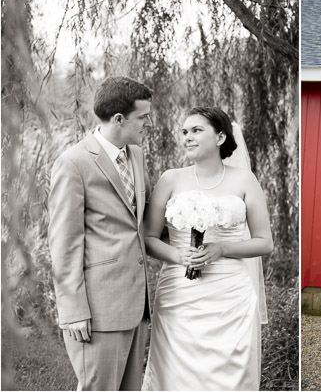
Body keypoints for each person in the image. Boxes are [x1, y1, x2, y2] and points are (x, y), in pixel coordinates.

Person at [142, 107, 273, 390]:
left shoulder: (245, 180)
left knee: (230, 377)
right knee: (175, 375)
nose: (188, 137)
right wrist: (178, 256)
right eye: (185, 132)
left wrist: (222, 249)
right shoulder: (170, 179)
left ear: (220, 137)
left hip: (230, 295)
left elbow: (265, 242)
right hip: (179, 294)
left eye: (197, 130)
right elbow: (148, 238)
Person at [48, 76, 154, 391]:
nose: (148, 125)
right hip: (97, 310)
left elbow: (141, 219)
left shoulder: (135, 155)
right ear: (119, 119)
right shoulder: (74, 163)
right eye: (143, 118)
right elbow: (64, 245)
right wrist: (73, 311)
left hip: (136, 305)